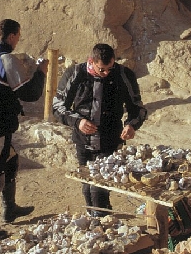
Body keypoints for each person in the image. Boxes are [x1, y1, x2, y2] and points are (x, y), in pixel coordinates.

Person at [0, 19, 49, 242]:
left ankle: (9, 209)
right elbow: (29, 94)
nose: (18, 40)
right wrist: (41, 72)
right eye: (18, 36)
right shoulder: (6, 59)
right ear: (12, 36)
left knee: (11, 161)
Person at [52, 43, 147, 216]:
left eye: (110, 68)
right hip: (83, 139)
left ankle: (102, 219)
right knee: (87, 184)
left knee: (99, 185)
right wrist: (77, 121)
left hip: (109, 139)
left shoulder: (123, 75)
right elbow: (57, 106)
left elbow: (138, 108)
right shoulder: (75, 73)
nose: (106, 73)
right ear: (91, 61)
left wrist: (131, 125)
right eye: (102, 69)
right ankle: (95, 216)